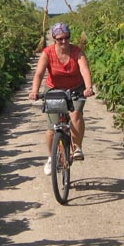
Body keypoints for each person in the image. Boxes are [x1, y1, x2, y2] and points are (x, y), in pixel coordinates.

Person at [29, 22, 95, 174]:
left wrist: (88, 88)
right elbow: (39, 73)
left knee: (76, 115)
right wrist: (34, 91)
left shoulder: (77, 52)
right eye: (60, 39)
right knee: (52, 128)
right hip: (54, 90)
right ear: (54, 39)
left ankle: (77, 147)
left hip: (75, 89)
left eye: (66, 38)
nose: (64, 41)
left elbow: (85, 70)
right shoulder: (48, 53)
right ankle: (51, 158)